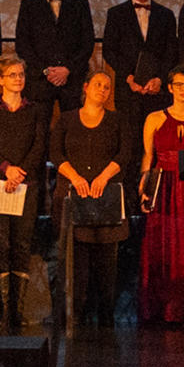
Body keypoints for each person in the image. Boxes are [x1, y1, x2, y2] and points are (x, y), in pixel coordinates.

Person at [53, 68, 136, 325]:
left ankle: (106, 316)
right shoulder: (66, 120)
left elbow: (124, 154)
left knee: (107, 263)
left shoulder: (118, 120)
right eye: (98, 84)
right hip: (74, 196)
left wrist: (102, 178)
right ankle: (75, 315)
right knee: (77, 262)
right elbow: (56, 154)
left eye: (107, 87)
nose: (103, 89)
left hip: (106, 197)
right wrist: (76, 179)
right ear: (86, 87)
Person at [0, 53, 48, 331]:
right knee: (1, 245)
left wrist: (20, 173)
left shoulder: (35, 110)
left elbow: (38, 147)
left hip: (26, 185)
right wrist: (7, 170)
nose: (18, 79)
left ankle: (16, 313)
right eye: (12, 75)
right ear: (0, 79)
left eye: (21, 74)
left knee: (21, 245)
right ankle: (2, 310)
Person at [138, 67, 184, 324]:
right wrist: (144, 189)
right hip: (164, 187)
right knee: (163, 245)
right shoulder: (155, 118)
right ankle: (164, 309)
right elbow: (148, 157)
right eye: (179, 85)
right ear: (170, 87)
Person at [16, 0, 95, 112]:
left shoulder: (80, 4)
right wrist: (46, 71)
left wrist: (67, 69)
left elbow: (87, 43)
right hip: (39, 81)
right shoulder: (29, 5)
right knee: (39, 130)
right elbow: (22, 44)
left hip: (72, 80)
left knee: (72, 129)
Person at [103, 0, 179, 121]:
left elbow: (172, 52)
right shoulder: (116, 14)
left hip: (158, 91)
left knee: (157, 141)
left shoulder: (166, 15)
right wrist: (129, 78)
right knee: (130, 141)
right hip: (128, 92)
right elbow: (109, 51)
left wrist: (159, 79)